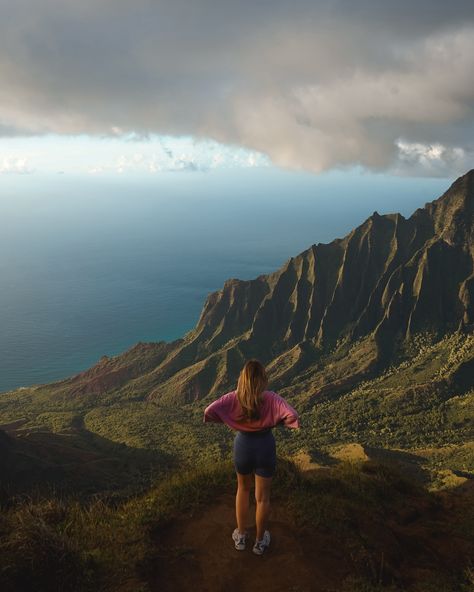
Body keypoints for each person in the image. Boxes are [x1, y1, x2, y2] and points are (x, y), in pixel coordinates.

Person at [203, 359, 300, 555]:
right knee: (263, 498)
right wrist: (277, 422)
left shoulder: (233, 398)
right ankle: (259, 541)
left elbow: (209, 411)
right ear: (262, 380)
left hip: (243, 446)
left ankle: (240, 535)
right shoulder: (271, 399)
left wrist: (228, 421)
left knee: (242, 489)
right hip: (264, 446)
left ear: (242, 379)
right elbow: (292, 415)